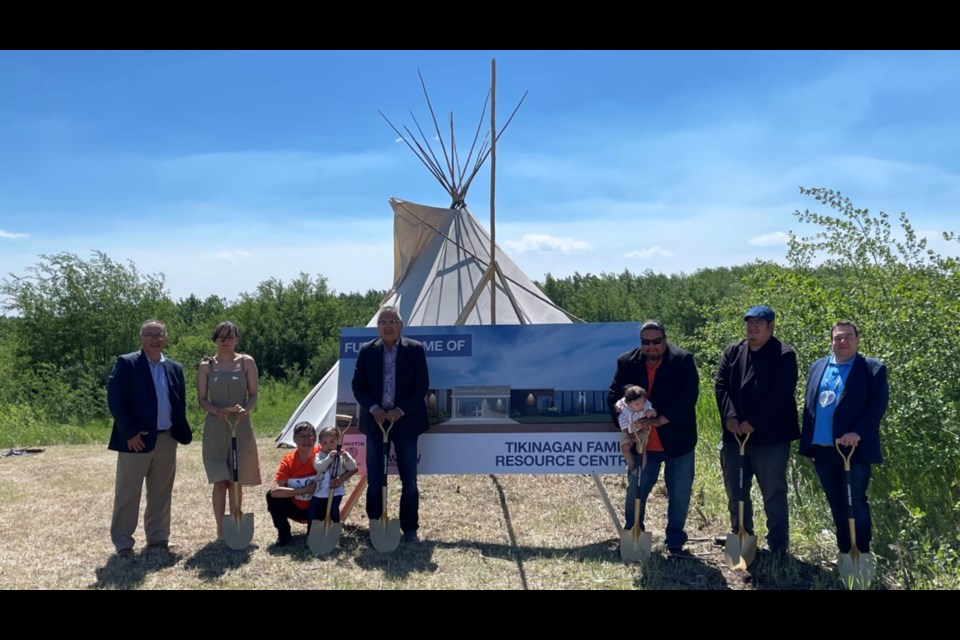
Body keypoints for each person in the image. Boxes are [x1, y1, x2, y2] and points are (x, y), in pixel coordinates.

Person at [608, 319, 700, 554]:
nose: (651, 347)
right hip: (642, 444)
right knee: (635, 491)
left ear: (665, 340)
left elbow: (688, 398)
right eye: (646, 342)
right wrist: (622, 412)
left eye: (656, 342)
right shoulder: (627, 362)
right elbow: (613, 395)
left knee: (679, 493)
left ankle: (675, 542)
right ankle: (633, 534)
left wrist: (660, 419)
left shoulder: (682, 360)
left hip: (678, 441)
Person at [715, 305, 799, 556]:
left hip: (770, 439)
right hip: (734, 436)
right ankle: (741, 535)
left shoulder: (783, 354)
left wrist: (754, 422)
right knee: (736, 490)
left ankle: (778, 544)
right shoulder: (733, 351)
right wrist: (729, 417)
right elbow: (721, 387)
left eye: (758, 324)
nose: (752, 328)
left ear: (771, 327)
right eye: (749, 323)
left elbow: (781, 395)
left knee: (773, 492)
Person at [800, 321, 888, 556]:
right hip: (822, 449)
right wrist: (808, 446)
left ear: (858, 340)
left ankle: (862, 553)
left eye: (848, 337)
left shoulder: (871, 368)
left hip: (852, 449)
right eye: (838, 337)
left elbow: (877, 406)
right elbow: (809, 407)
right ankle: (845, 553)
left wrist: (856, 432)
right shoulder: (818, 366)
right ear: (831, 341)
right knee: (837, 505)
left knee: (855, 503)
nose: (843, 341)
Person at [107, 319, 192, 556]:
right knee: (128, 493)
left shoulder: (175, 368)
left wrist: (178, 431)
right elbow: (115, 401)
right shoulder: (127, 363)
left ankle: (158, 538)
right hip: (136, 439)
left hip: (166, 439)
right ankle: (123, 543)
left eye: (159, 334)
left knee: (161, 493)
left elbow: (179, 402)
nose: (155, 339)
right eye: (149, 334)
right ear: (141, 338)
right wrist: (130, 433)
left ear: (166, 338)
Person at [352, 305, 430, 543]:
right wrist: (374, 408)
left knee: (409, 479)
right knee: (375, 478)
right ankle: (376, 525)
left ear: (401, 325)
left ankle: (409, 529)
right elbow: (358, 386)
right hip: (375, 423)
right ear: (378, 327)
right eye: (383, 322)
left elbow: (422, 386)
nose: (387, 326)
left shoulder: (415, 350)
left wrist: (399, 410)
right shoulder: (367, 351)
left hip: (406, 423)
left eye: (392, 321)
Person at [266, 421, 320, 547]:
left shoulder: (324, 455)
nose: (306, 440)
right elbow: (275, 491)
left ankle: (316, 532)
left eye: (310, 436)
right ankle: (284, 534)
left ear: (315, 438)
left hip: (318, 508)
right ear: (295, 440)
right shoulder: (288, 461)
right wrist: (303, 490)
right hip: (296, 508)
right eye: (302, 436)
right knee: (271, 496)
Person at [306, 426, 358, 531]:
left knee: (334, 510)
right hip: (321, 490)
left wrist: (347, 458)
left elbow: (352, 467)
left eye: (331, 442)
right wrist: (329, 458)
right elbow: (318, 466)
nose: (328, 445)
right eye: (324, 443)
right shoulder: (319, 456)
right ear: (320, 443)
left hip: (336, 490)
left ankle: (336, 529)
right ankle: (311, 533)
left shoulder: (342, 455)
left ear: (339, 441)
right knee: (313, 510)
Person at [616, 384, 656, 464]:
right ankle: (630, 462)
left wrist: (651, 412)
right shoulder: (623, 404)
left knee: (642, 448)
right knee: (624, 447)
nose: (641, 406)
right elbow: (617, 406)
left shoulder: (647, 405)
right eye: (637, 404)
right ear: (629, 403)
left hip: (641, 428)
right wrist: (618, 406)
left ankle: (643, 465)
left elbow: (654, 413)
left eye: (642, 402)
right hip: (626, 429)